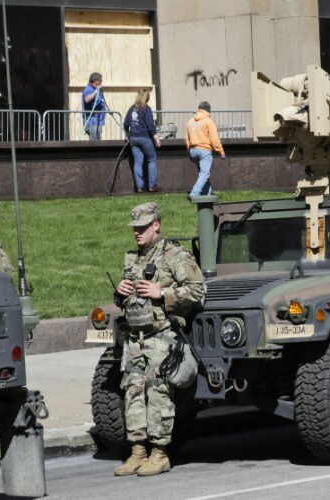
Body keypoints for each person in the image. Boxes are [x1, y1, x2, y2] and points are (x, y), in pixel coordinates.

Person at [113, 202, 204, 477]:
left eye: (142, 228)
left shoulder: (175, 255)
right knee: (132, 391)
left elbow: (197, 291)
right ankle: (137, 452)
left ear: (156, 225)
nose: (137, 233)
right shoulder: (133, 258)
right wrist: (120, 292)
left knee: (158, 391)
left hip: (163, 335)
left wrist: (162, 293)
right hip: (135, 338)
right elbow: (124, 300)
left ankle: (160, 453)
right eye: (134, 229)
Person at [123, 89, 162, 193]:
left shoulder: (132, 109)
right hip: (145, 138)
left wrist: (127, 135)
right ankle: (152, 186)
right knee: (152, 159)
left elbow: (126, 123)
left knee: (138, 162)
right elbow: (150, 126)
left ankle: (139, 187)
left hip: (133, 139)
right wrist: (156, 137)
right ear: (146, 97)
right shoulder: (146, 109)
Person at [185, 101, 225, 199]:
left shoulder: (190, 121)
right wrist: (221, 151)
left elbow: (187, 138)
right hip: (204, 151)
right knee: (204, 173)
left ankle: (207, 194)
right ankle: (194, 194)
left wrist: (189, 151)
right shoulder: (208, 121)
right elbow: (214, 138)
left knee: (203, 174)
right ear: (208, 110)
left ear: (199, 109)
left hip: (193, 150)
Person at [82, 72, 107, 140]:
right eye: (100, 81)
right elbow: (87, 99)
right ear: (96, 81)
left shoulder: (97, 89)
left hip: (98, 121)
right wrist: (96, 91)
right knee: (94, 142)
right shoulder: (88, 89)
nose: (101, 83)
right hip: (92, 121)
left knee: (98, 141)